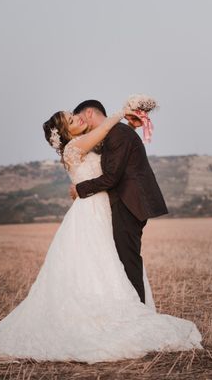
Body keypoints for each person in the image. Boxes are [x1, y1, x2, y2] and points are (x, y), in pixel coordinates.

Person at [0, 103, 202, 363]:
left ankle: (128, 310)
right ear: (65, 133)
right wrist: (125, 109)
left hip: (103, 208)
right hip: (91, 211)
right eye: (71, 120)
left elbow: (112, 149)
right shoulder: (74, 147)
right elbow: (106, 128)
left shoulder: (87, 144)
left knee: (112, 263)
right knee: (99, 263)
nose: (78, 119)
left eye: (75, 115)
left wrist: (129, 125)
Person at [69, 99, 168, 304]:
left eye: (78, 117)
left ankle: (140, 314)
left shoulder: (117, 134)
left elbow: (112, 177)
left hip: (128, 204)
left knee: (128, 262)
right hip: (123, 204)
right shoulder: (114, 134)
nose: (78, 122)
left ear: (88, 113)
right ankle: (133, 310)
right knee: (123, 261)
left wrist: (80, 188)